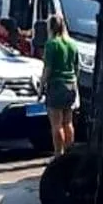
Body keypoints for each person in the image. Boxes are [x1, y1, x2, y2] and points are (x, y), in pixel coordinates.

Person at [40, 13, 80, 155]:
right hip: (70, 85)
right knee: (68, 122)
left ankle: (58, 154)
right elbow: (77, 68)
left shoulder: (51, 44)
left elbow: (48, 69)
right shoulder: (72, 43)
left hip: (56, 85)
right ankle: (70, 154)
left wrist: (41, 87)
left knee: (56, 124)